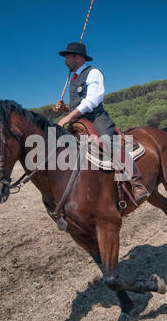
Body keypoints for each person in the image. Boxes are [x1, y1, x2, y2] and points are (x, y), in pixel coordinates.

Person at [56, 41, 149, 204]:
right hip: (78, 120)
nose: (64, 61)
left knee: (108, 141)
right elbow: (78, 104)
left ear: (78, 57)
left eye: (67, 57)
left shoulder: (93, 73)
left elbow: (91, 101)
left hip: (95, 118)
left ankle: (136, 182)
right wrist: (65, 109)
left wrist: (67, 117)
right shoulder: (74, 78)